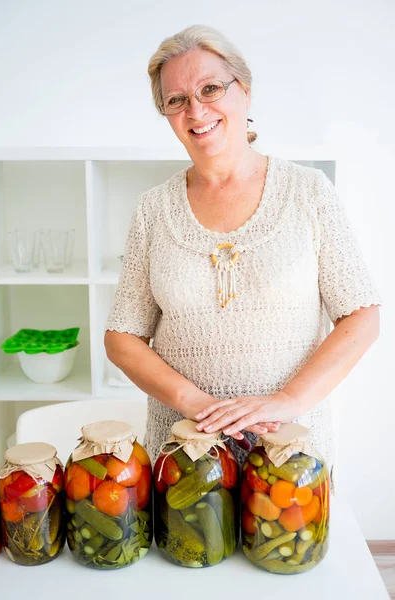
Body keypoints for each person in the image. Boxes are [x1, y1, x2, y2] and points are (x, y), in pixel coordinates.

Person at [104, 24, 381, 490]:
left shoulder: (308, 192)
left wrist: (288, 400)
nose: (196, 110)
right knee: (185, 561)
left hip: (289, 456)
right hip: (184, 454)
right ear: (167, 114)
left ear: (244, 93)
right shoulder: (153, 208)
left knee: (289, 559)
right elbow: (122, 337)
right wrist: (196, 404)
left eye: (211, 88)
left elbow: (362, 315)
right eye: (176, 100)